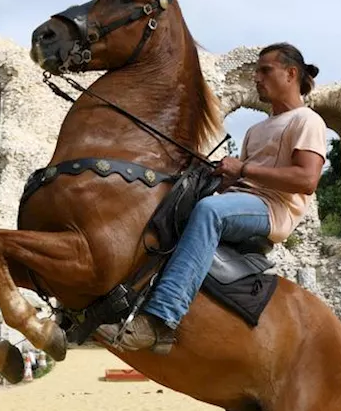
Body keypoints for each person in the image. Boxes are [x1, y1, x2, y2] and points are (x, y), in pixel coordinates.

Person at [100, 42, 327, 353]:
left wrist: (243, 167)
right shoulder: (255, 130)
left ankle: (162, 320)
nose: (256, 78)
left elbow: (307, 179)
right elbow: (240, 177)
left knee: (211, 211)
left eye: (265, 71)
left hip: (272, 209)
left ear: (290, 74)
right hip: (240, 199)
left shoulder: (307, 121)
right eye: (256, 72)